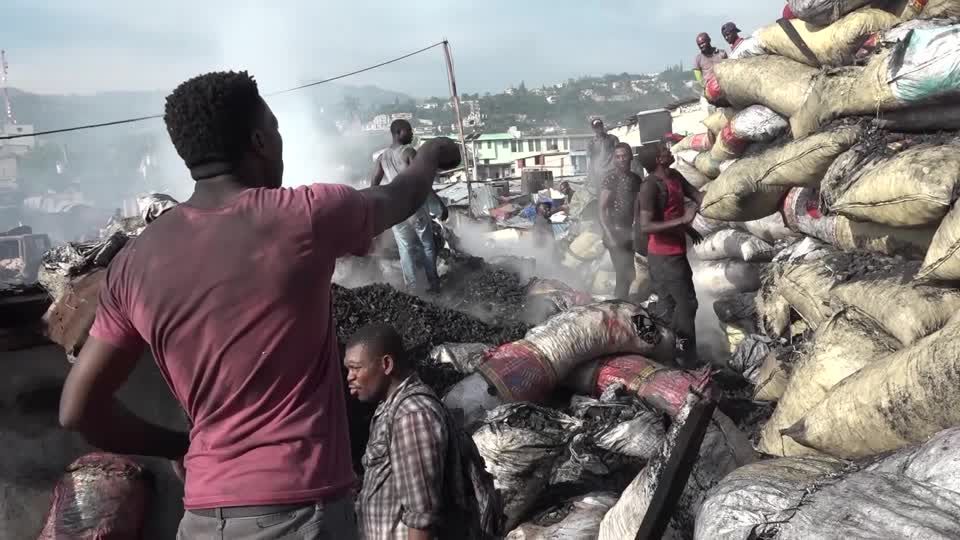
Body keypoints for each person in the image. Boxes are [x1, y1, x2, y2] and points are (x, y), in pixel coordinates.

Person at [57, 71, 459, 540]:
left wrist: (184, 446)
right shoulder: (302, 216)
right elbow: (400, 195)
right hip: (298, 513)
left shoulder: (132, 264)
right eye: (275, 129)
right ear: (259, 141)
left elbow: (77, 410)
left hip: (202, 519)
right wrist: (430, 154)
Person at [345, 323, 449, 540]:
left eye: (356, 368)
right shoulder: (389, 407)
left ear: (386, 364)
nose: (349, 377)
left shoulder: (411, 415)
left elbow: (422, 518)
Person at [636, 144, 704, 368]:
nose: (669, 151)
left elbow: (695, 196)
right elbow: (646, 226)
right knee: (687, 304)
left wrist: (687, 228)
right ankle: (685, 355)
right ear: (658, 159)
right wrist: (683, 221)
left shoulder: (674, 176)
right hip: (664, 257)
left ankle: (661, 350)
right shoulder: (650, 187)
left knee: (668, 307)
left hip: (675, 252)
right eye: (664, 150)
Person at [371, 120, 441, 293]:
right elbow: (423, 180)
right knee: (427, 245)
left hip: (395, 210)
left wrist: (381, 203)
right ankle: (433, 284)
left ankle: (412, 288)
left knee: (405, 249)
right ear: (398, 132)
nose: (412, 133)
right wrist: (439, 205)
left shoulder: (382, 157)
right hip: (414, 206)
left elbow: (374, 183)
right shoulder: (409, 152)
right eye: (408, 130)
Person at [600, 143, 642, 299]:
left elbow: (638, 205)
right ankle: (619, 305)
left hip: (629, 233)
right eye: (618, 156)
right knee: (623, 273)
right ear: (614, 160)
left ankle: (622, 303)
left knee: (630, 274)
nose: (621, 159)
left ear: (630, 157)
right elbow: (602, 210)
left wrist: (637, 229)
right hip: (614, 232)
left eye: (624, 155)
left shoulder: (636, 179)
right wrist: (609, 235)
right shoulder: (611, 179)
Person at [586, 119, 620, 197]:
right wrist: (589, 176)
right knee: (601, 197)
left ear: (602, 126)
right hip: (599, 175)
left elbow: (619, 153)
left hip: (612, 172)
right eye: (596, 127)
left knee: (615, 195)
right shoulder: (591, 142)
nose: (598, 129)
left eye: (600, 126)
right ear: (593, 129)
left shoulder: (612, 139)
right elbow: (589, 160)